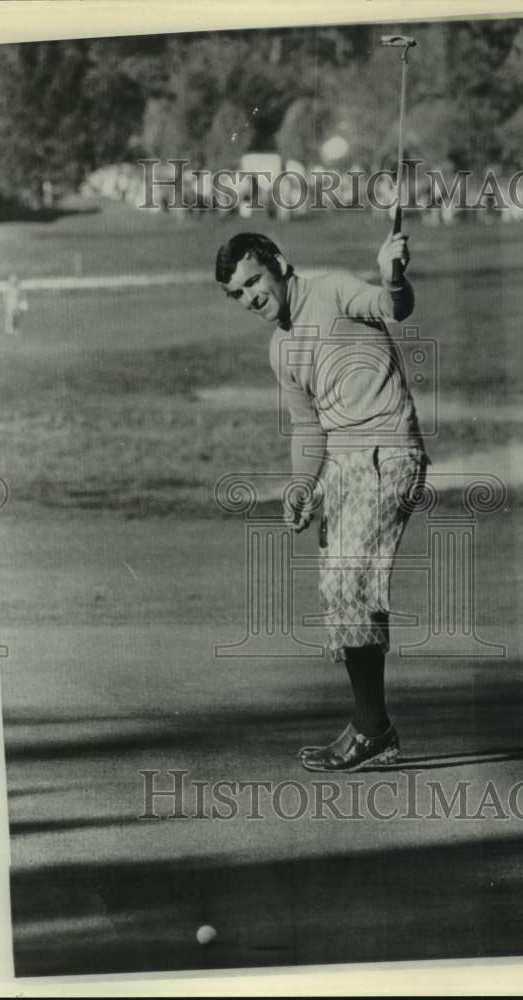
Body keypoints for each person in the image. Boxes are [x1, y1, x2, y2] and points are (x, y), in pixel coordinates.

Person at [215, 230, 428, 771]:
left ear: (279, 265)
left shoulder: (334, 290)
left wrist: (392, 274)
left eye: (253, 282)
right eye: (237, 294)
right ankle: (375, 731)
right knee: (343, 593)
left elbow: (392, 307)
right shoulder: (281, 349)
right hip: (338, 468)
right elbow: (308, 429)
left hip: (388, 454)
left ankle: (372, 731)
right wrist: (301, 486)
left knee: (349, 581)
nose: (250, 298)